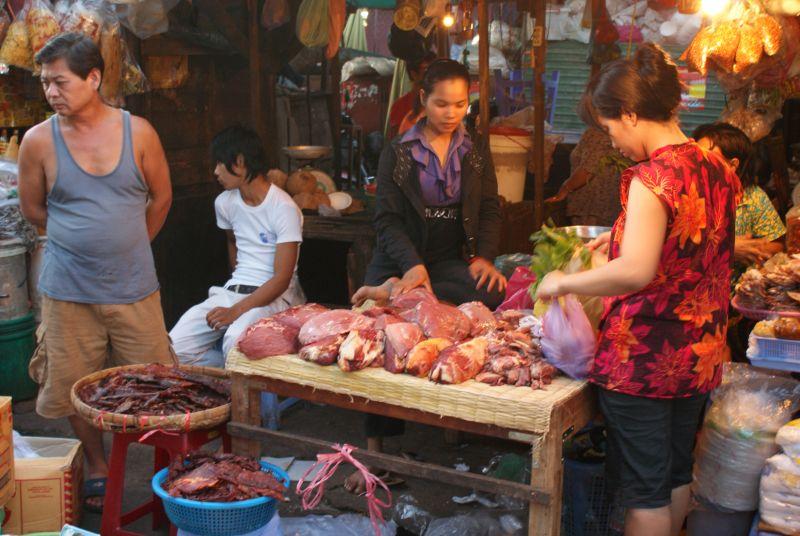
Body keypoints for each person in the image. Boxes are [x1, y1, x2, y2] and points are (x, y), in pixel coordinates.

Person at [535, 44, 741, 536]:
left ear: (629, 114)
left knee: (644, 491)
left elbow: (635, 273)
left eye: (610, 129)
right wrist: (624, 232)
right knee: (672, 476)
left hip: (646, 358)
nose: (612, 143)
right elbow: (689, 245)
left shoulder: (653, 177)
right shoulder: (715, 167)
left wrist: (562, 280)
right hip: (699, 353)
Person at [17, 33, 174, 512]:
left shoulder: (139, 132)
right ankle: (98, 464)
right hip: (67, 291)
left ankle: (169, 470)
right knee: (73, 386)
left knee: (158, 385)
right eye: (45, 83)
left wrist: (128, 245)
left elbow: (161, 197)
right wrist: (83, 243)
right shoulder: (38, 141)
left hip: (134, 289)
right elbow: (34, 211)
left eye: (60, 81)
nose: (51, 92)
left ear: (93, 77)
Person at [345, 59, 506, 494]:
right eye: (441, 104)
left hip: (448, 256)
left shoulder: (475, 149)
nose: (451, 113)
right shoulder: (398, 151)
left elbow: (490, 207)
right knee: (379, 331)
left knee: (482, 303)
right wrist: (411, 266)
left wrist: (485, 257)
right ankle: (377, 450)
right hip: (399, 255)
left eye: (460, 104)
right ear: (423, 101)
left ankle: (453, 415)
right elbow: (387, 219)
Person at [169, 126, 306, 367]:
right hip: (233, 291)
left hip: (275, 298)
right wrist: (233, 297)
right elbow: (233, 240)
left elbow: (282, 278)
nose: (215, 172)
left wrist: (235, 312)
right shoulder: (224, 203)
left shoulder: (283, 208)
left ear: (240, 162)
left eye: (220, 163)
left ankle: (241, 385)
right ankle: (233, 376)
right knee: (175, 347)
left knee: (235, 339)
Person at [692, 122, 785, 271]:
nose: (696, 163)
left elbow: (778, 243)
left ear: (732, 165)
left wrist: (753, 248)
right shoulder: (684, 194)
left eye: (706, 157)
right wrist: (728, 249)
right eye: (694, 155)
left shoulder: (751, 197)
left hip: (737, 291)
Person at [545, 126, 633, 227]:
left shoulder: (599, 132)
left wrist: (564, 190)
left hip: (591, 206)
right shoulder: (617, 131)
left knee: (589, 240)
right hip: (610, 205)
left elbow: (587, 170)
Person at [387, 52, 436, 139]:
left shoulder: (439, 102)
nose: (433, 75)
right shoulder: (400, 106)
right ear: (414, 74)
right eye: (426, 70)